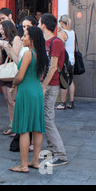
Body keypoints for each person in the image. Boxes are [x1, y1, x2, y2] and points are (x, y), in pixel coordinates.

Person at [9, 26, 48, 173]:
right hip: (37, 91)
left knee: (24, 128)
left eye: (25, 36)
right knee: (37, 128)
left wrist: (13, 83)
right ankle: (35, 161)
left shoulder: (28, 54)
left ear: (31, 39)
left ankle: (24, 164)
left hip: (26, 91)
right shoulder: (41, 53)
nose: (23, 38)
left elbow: (20, 76)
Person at [38, 13, 68, 166]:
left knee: (48, 119)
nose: (38, 24)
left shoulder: (56, 42)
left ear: (43, 25)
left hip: (51, 85)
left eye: (39, 22)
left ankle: (61, 154)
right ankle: (50, 150)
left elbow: (54, 67)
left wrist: (44, 86)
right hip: (47, 84)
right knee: (46, 118)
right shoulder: (46, 41)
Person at [0, 20, 22, 135]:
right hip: (5, 73)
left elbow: (15, 58)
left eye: (2, 29)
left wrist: (6, 46)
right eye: (0, 29)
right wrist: (0, 49)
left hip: (13, 73)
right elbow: (1, 60)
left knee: (13, 101)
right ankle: (12, 125)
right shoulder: (4, 40)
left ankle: (17, 126)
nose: (0, 31)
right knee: (7, 99)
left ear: (8, 28)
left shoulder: (16, 39)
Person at [56, 14, 76, 110]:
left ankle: (63, 103)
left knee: (64, 81)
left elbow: (60, 47)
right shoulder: (72, 32)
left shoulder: (62, 33)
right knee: (71, 81)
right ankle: (71, 102)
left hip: (65, 60)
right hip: (72, 60)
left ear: (62, 23)